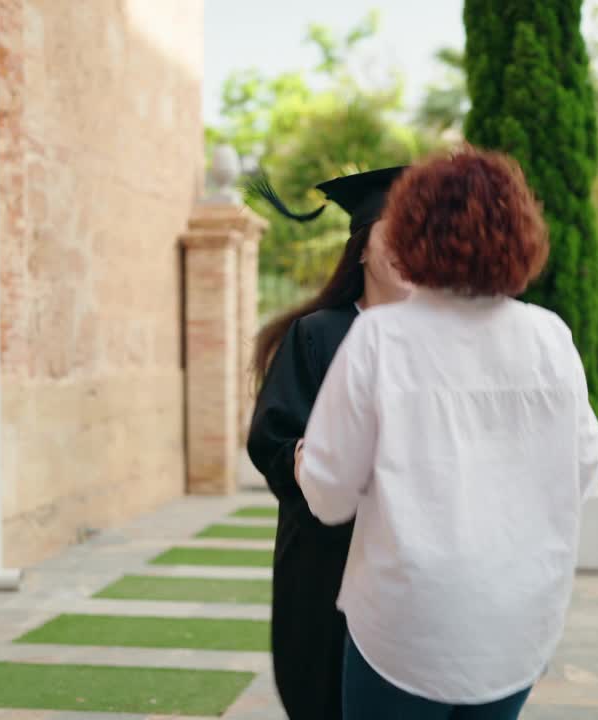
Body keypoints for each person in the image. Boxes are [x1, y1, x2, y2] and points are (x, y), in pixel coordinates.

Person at [295, 148, 598, 720]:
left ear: (412, 233)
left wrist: (305, 461)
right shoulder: (550, 338)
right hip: (516, 617)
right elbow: (583, 467)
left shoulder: (380, 339)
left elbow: (329, 496)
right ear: (521, 233)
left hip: (405, 624)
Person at [246, 166, 411, 720]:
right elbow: (273, 435)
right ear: (361, 249)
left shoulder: (439, 338)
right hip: (326, 556)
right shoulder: (319, 334)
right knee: (322, 691)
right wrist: (322, 466)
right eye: (396, 229)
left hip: (411, 557)